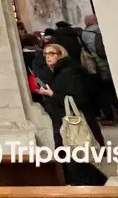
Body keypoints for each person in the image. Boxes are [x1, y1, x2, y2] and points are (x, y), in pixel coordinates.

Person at [37, 43, 106, 185]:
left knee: (79, 162)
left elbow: (79, 99)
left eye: (51, 53)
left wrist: (51, 94)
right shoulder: (59, 72)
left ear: (60, 54)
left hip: (72, 123)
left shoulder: (70, 71)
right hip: (64, 123)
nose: (48, 57)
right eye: (45, 54)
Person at [81, 15, 118, 122]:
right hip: (110, 63)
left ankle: (108, 115)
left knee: (103, 92)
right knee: (114, 88)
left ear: (86, 23)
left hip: (97, 67)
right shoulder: (104, 29)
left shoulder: (85, 34)